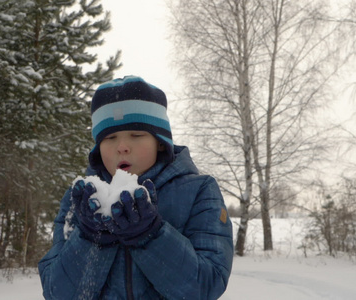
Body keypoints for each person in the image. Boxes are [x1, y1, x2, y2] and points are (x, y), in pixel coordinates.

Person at [38, 76, 233, 299]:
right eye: (110, 137)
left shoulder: (199, 191)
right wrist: (90, 238)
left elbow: (207, 286)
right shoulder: (81, 199)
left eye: (136, 135)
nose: (122, 147)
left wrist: (150, 235)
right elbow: (57, 293)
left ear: (160, 141)